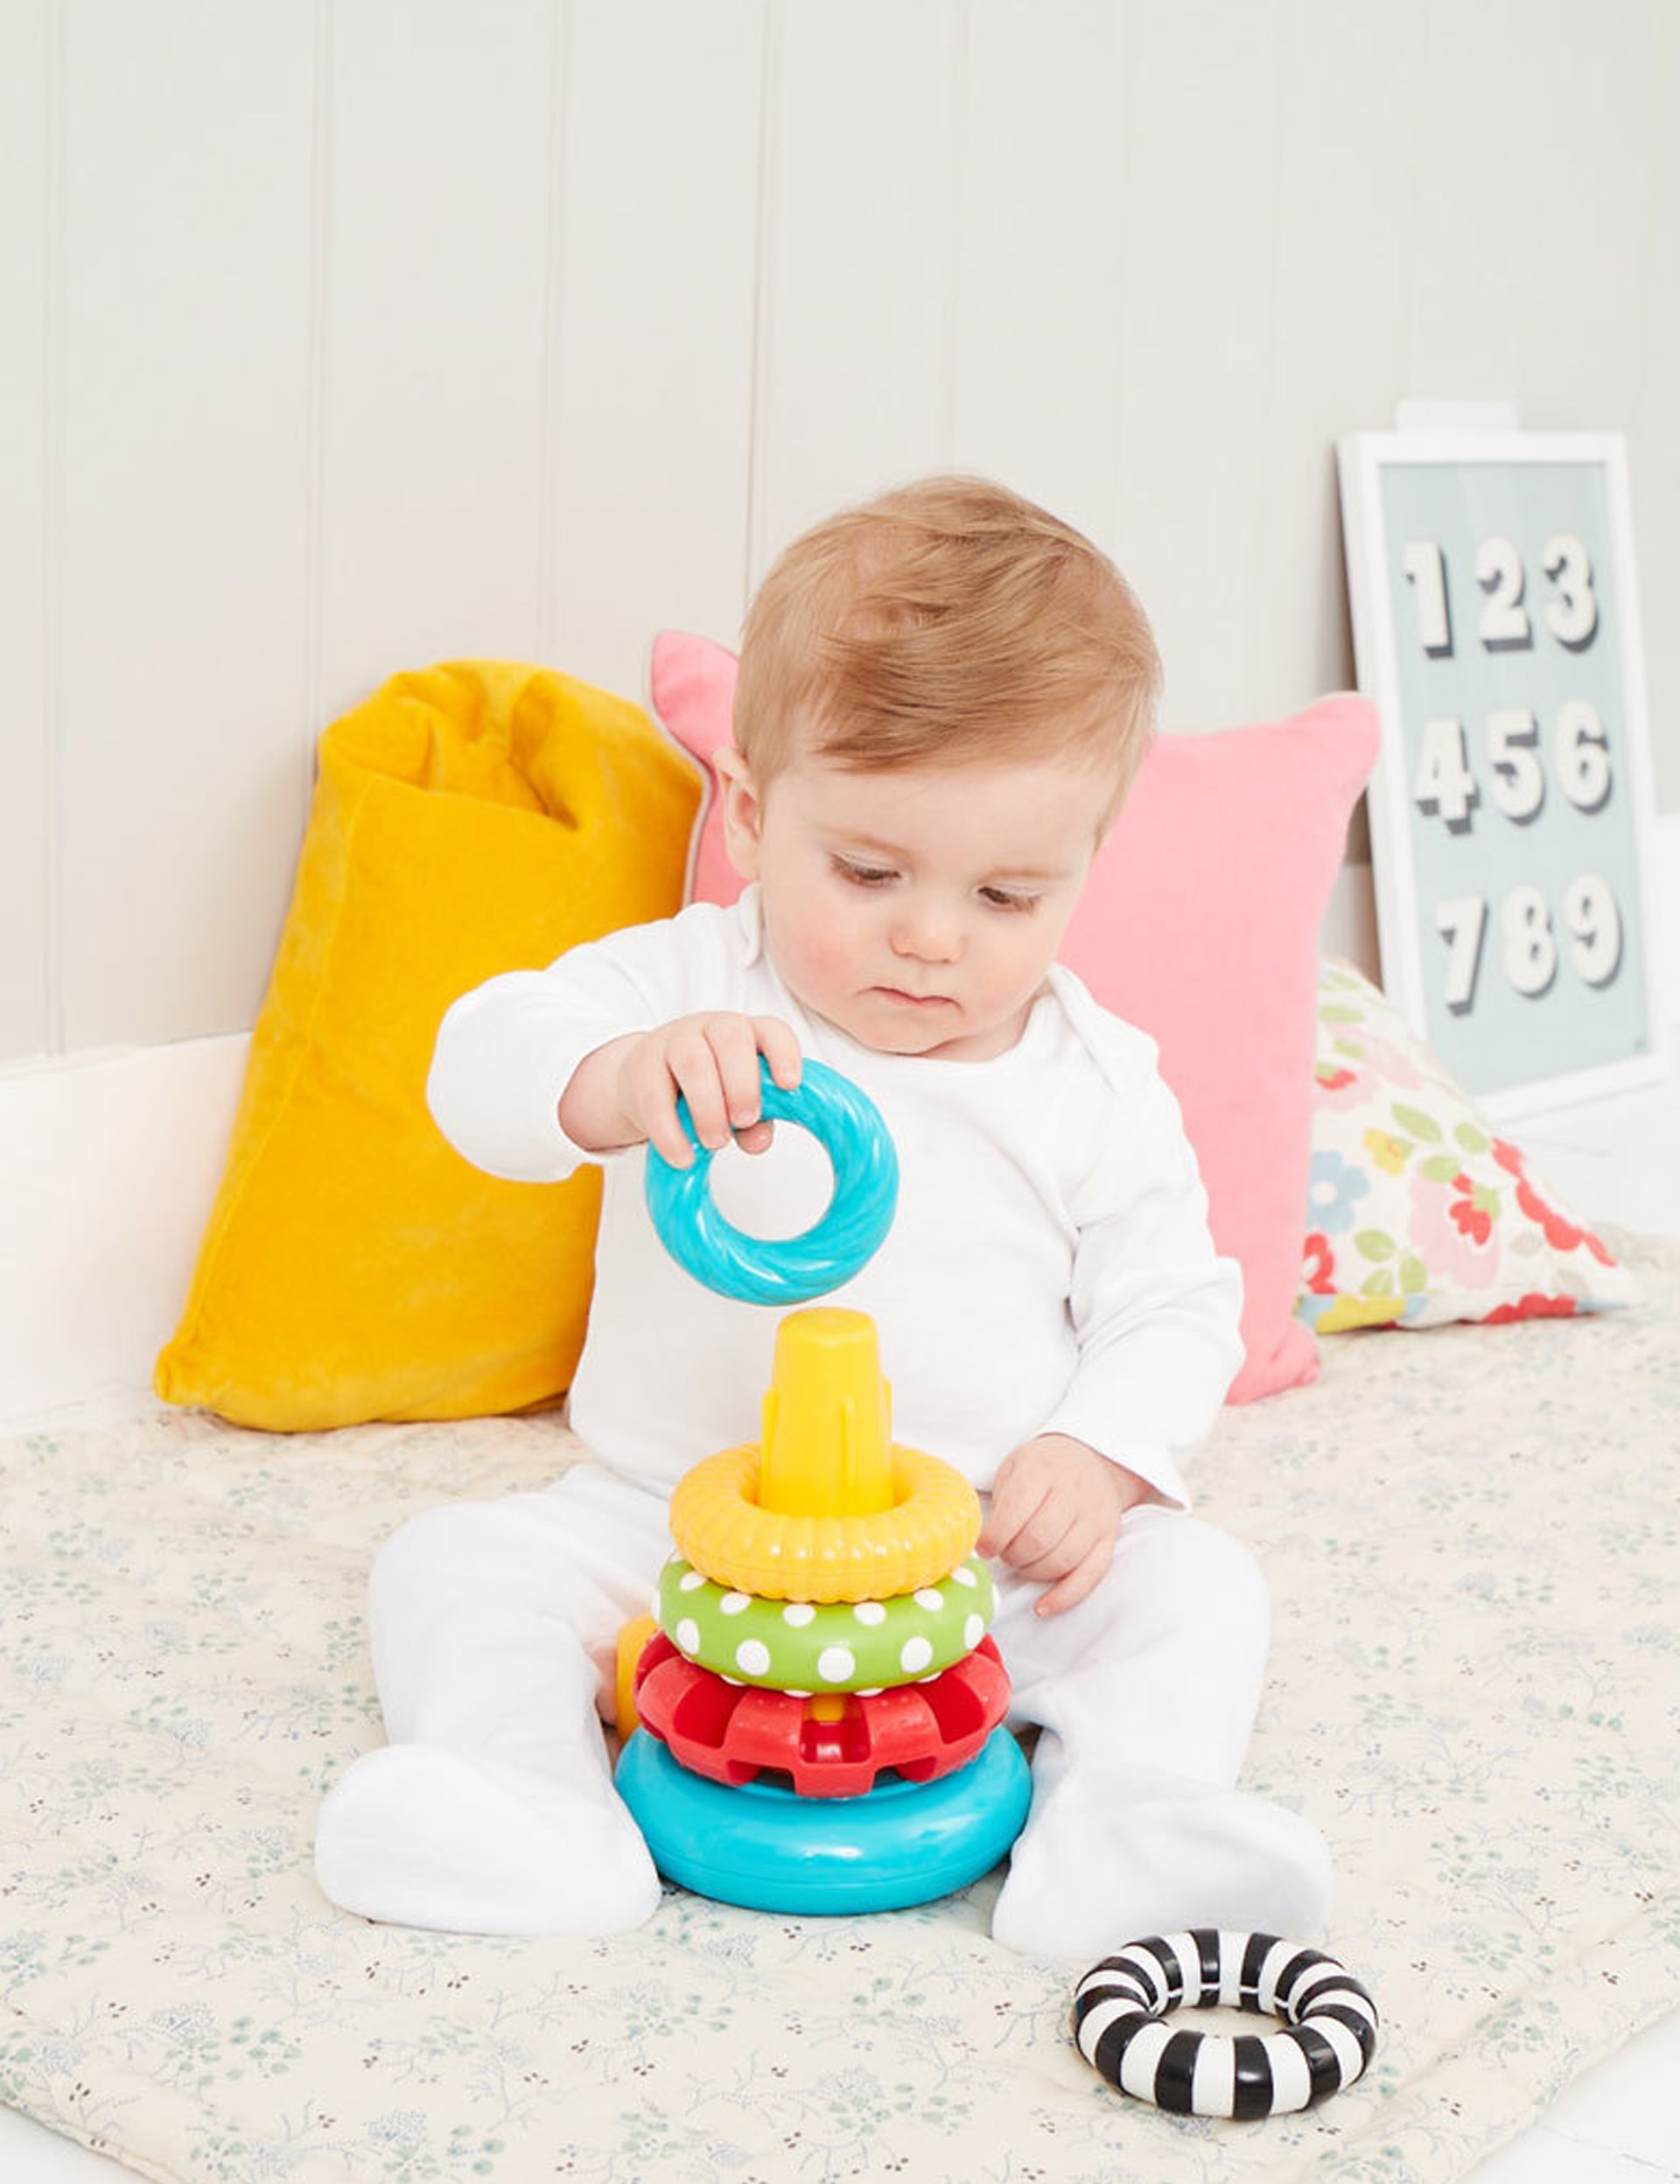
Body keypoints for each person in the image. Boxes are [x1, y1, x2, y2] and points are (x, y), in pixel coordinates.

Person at [313, 475, 1332, 1960]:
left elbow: (1177, 1304)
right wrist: (612, 1079)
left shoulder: (1095, 1082)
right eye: (869, 871)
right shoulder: (687, 988)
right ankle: (524, 1811)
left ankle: (1125, 1838)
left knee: (1196, 1590)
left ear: (1085, 869)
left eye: (1007, 893)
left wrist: (1102, 1458)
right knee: (449, 1566)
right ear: (748, 809)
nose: (930, 935)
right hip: (668, 1524)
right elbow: (478, 1059)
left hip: (977, 1552)